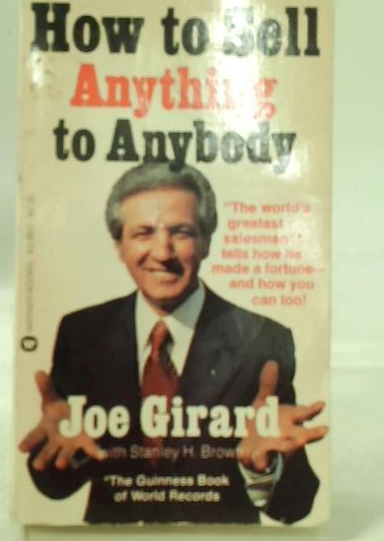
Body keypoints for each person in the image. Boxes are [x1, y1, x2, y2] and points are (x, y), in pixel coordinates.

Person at [19, 161, 328, 524]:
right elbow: (54, 487)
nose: (162, 253)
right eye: (143, 233)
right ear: (119, 245)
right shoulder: (82, 333)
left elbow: (296, 506)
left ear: (207, 241)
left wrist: (266, 465)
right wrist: (64, 450)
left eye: (181, 232)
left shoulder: (263, 339)